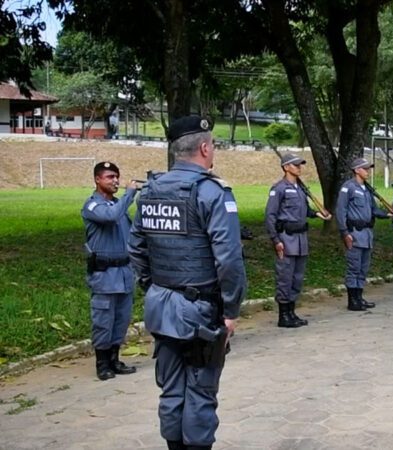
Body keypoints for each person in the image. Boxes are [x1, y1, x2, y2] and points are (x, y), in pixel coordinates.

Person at [128, 116, 247, 450]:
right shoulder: (212, 192)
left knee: (171, 389)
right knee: (200, 391)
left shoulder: (150, 191)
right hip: (201, 314)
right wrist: (231, 310)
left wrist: (156, 286)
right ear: (205, 148)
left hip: (160, 307)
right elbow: (229, 260)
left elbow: (136, 247)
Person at [81, 161, 138, 381]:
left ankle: (115, 359)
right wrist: (130, 194)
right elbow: (110, 216)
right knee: (103, 320)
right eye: (109, 177)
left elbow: (132, 232)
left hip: (123, 273)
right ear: (97, 179)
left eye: (117, 176)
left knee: (121, 320)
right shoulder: (93, 206)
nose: (115, 181)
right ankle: (102, 363)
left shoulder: (119, 206)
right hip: (104, 275)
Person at [265, 153, 331, 327]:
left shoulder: (301, 188)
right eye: (295, 165)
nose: (299, 168)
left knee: (297, 278)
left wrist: (318, 214)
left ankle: (292, 312)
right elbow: (270, 216)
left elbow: (306, 211)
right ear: (286, 167)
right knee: (285, 277)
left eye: (300, 165)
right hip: (286, 239)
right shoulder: (278, 188)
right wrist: (275, 239)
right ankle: (283, 316)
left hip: (301, 240)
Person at [335, 158, 393, 311]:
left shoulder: (367, 189)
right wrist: (344, 232)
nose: (368, 171)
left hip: (367, 234)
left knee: (363, 268)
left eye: (368, 169)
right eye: (365, 169)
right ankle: (352, 300)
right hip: (354, 233)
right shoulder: (348, 187)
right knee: (354, 268)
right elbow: (341, 211)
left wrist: (386, 214)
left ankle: (359, 297)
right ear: (356, 170)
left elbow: (374, 209)